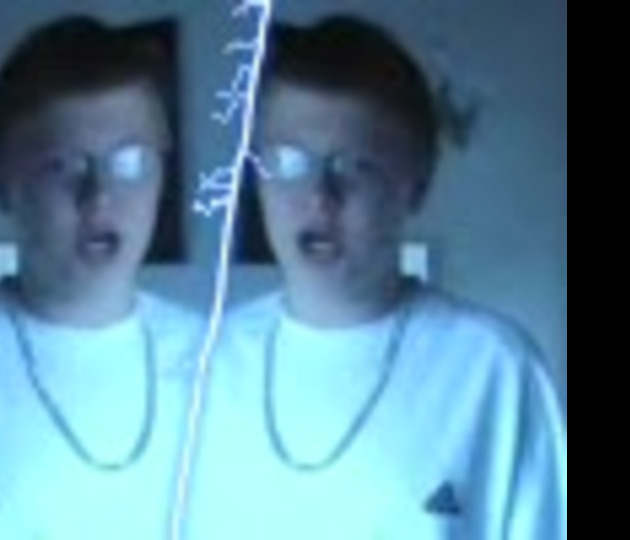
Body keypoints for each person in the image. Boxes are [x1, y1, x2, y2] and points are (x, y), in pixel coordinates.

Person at [187, 17, 567, 539]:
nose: (319, 197)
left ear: (416, 187)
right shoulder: (201, 369)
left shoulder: (495, 368)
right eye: (290, 162)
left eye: (354, 166)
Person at [0, 17, 203, 539]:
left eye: (131, 161)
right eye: (63, 166)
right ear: (1, 183)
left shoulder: (219, 363)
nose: (100, 196)